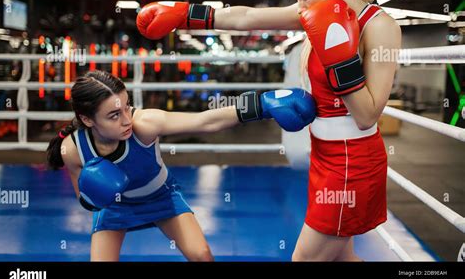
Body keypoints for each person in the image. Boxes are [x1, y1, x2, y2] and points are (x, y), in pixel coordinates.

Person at [137, 0, 401, 261]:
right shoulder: (313, 13)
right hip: (325, 154)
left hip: (352, 163)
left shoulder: (379, 27)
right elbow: (246, 17)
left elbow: (368, 115)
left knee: (305, 259)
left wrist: (340, 62)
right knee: (342, 257)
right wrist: (184, 14)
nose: (300, 5)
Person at [46, 69, 315, 261]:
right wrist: (96, 195)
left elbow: (204, 122)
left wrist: (261, 105)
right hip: (115, 208)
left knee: (202, 256)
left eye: (128, 107)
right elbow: (86, 200)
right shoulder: (73, 149)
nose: (126, 119)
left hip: (161, 197)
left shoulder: (145, 124)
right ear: (88, 119)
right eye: (114, 115)